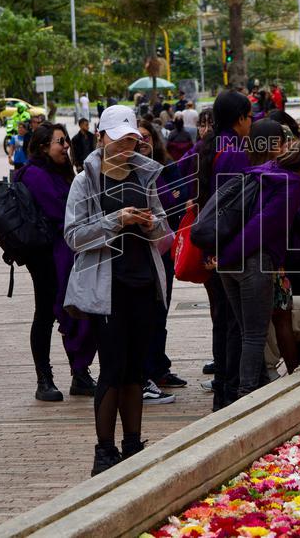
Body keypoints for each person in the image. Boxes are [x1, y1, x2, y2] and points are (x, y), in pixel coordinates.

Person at [63, 105, 173, 475]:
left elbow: (165, 235)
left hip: (142, 282)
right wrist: (116, 220)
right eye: (119, 140)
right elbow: (74, 235)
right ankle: (104, 451)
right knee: (111, 368)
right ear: (101, 139)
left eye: (132, 141)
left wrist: (150, 224)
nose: (127, 148)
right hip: (106, 288)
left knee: (136, 371)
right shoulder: (86, 181)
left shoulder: (145, 177)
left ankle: (132, 444)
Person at [217, 146, 300, 397]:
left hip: (228, 263)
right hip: (251, 261)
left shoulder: (267, 172)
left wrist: (224, 256)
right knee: (255, 335)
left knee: (246, 332)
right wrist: (233, 255)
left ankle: (257, 386)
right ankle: (247, 397)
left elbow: (291, 219)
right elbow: (260, 226)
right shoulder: (292, 184)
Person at [17, 122, 97, 403]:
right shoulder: (36, 175)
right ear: (42, 147)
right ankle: (44, 378)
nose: (65, 146)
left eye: (66, 141)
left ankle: (80, 374)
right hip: (46, 257)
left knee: (75, 311)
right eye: (59, 142)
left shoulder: (63, 173)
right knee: (46, 315)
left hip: (68, 253)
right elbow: (62, 210)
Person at [192, 91, 252, 410]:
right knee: (232, 324)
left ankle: (223, 390)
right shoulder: (234, 151)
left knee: (224, 321)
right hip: (225, 247)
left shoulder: (217, 145)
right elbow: (231, 206)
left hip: (216, 245)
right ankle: (227, 393)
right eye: (249, 116)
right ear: (240, 118)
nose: (252, 123)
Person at [137, 120, 188, 400]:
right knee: (146, 311)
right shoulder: (134, 171)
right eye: (138, 137)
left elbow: (179, 197)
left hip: (166, 247)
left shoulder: (166, 167)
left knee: (162, 309)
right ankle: (145, 369)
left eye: (147, 136)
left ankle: (159, 366)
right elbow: (169, 200)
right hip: (143, 250)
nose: (143, 142)